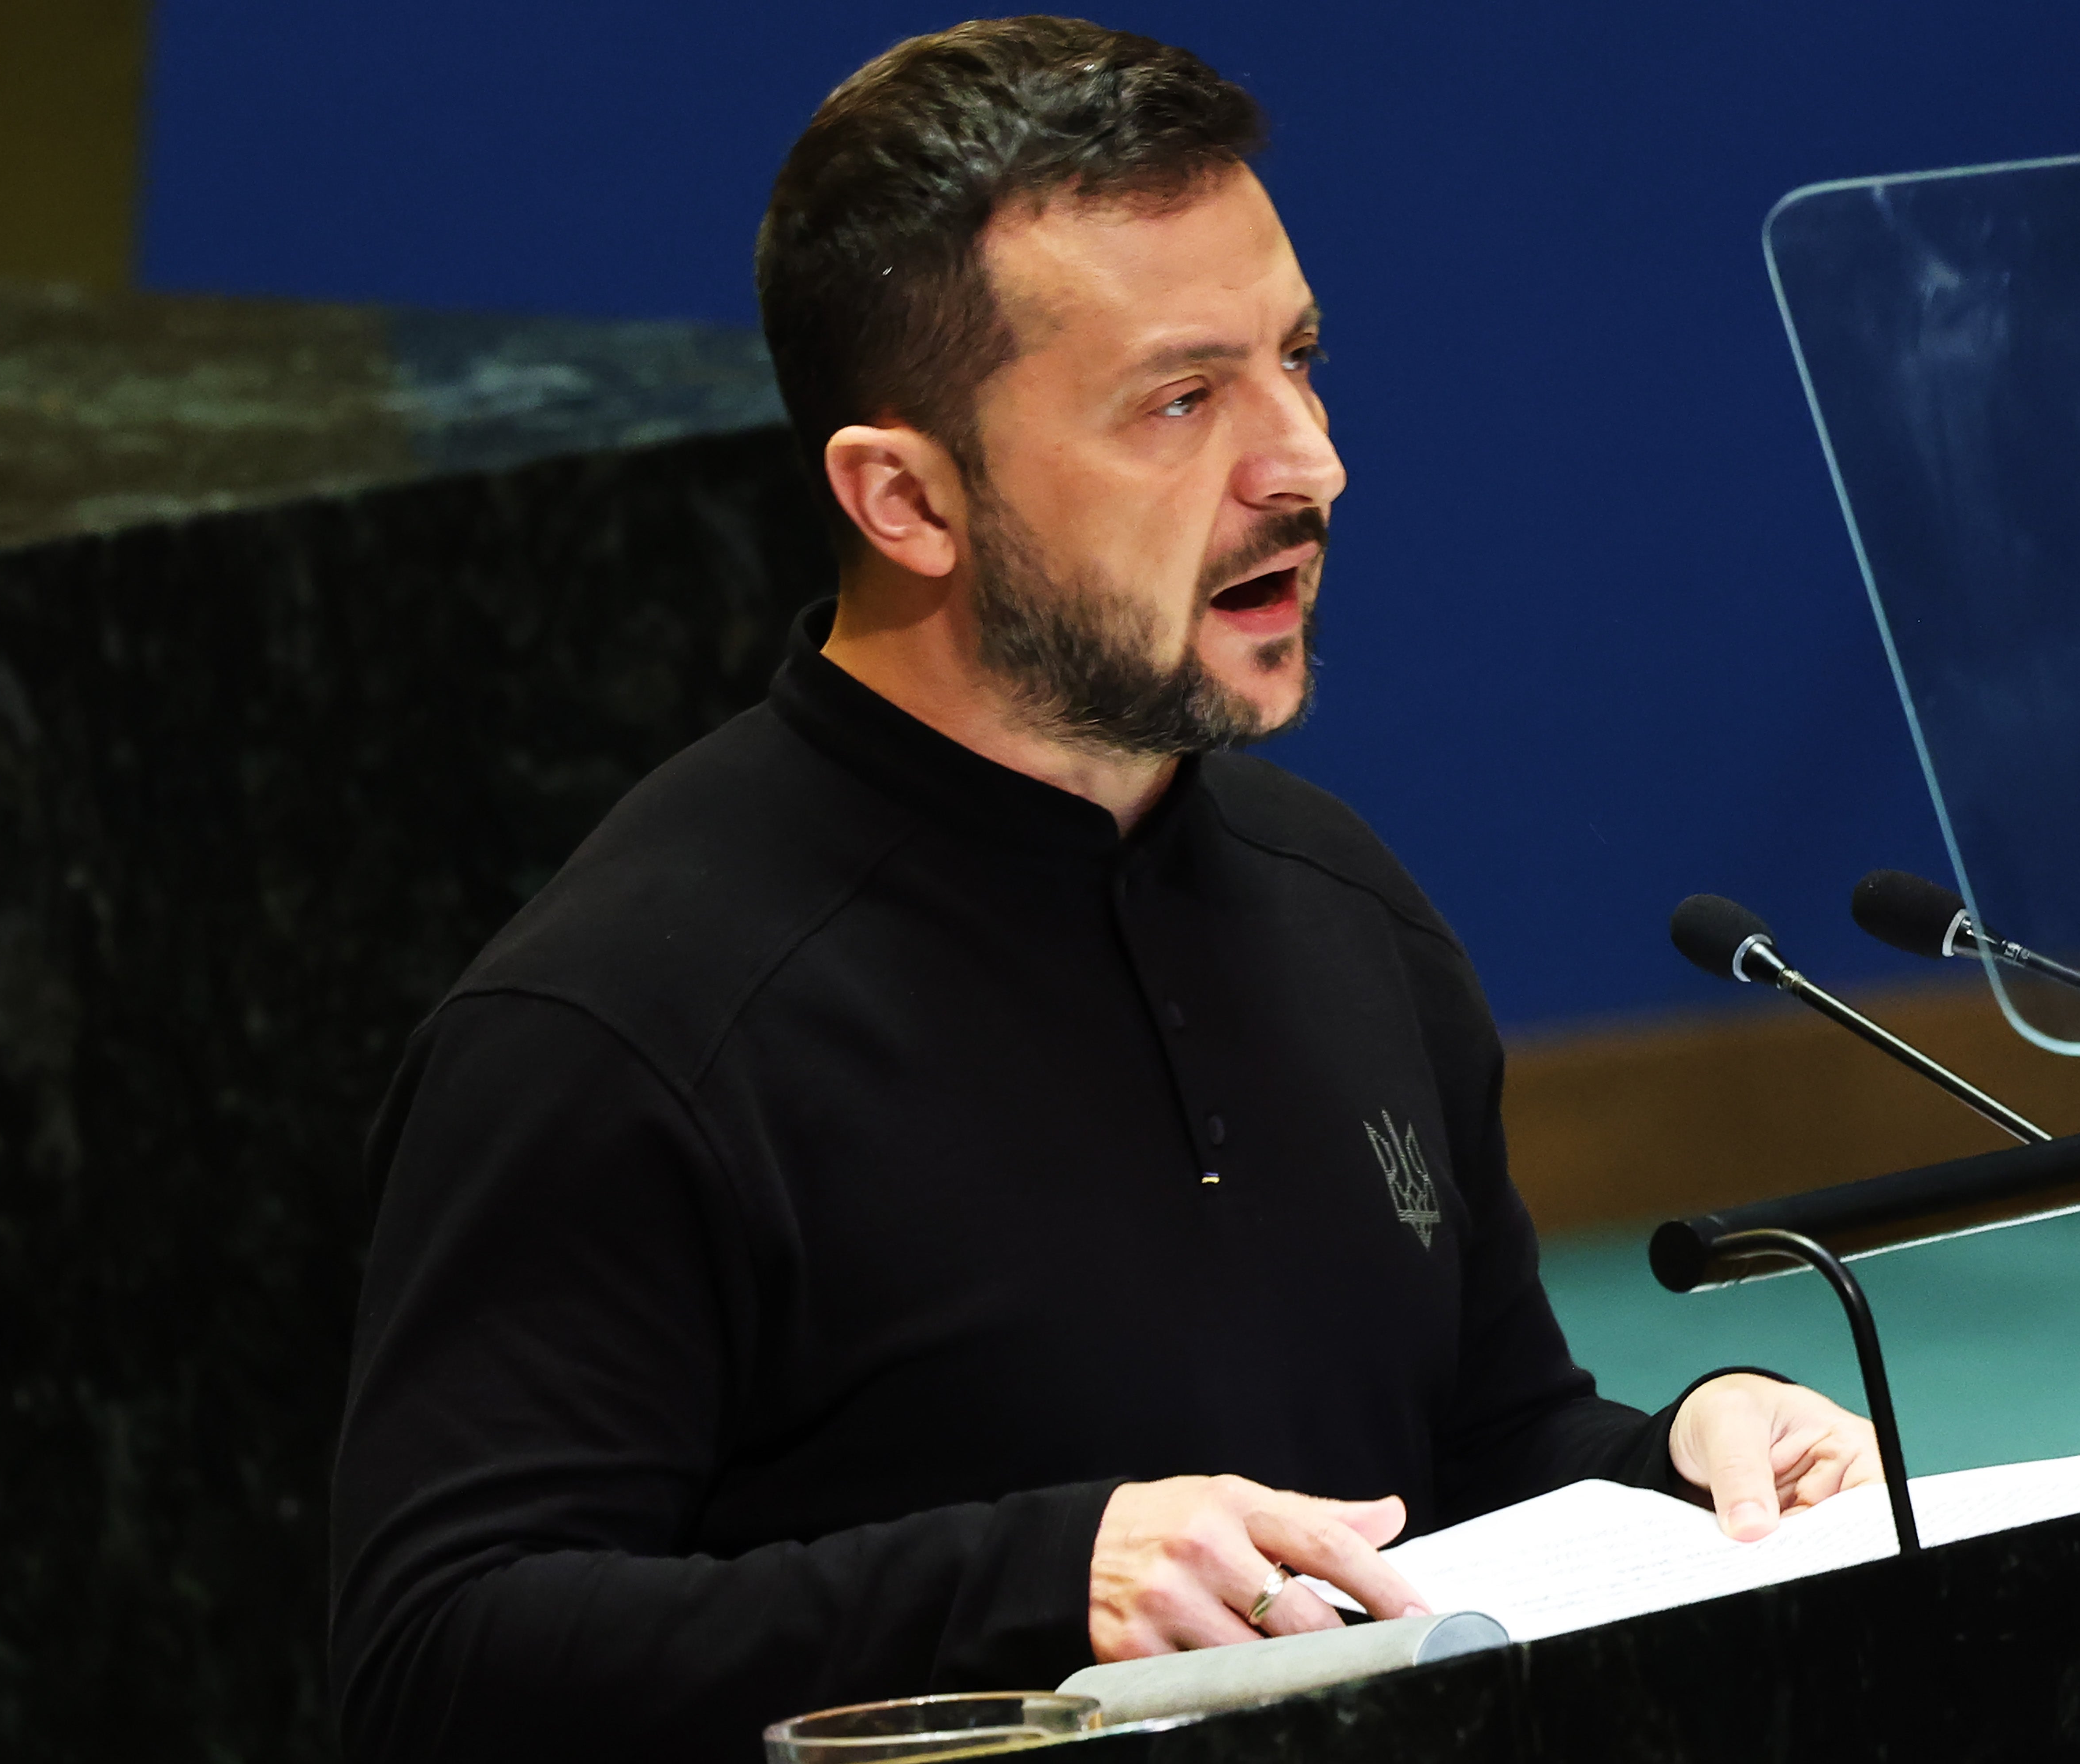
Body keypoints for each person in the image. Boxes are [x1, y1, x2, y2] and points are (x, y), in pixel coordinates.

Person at [328, 17, 1882, 1761]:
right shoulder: (624, 1023)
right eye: (1180, 399)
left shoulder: (1340, 902)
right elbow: (437, 1659)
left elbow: (1471, 1443)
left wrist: (1685, 1447)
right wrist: (1046, 1574)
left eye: (1299, 361)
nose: (1306, 463)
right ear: (905, 498)